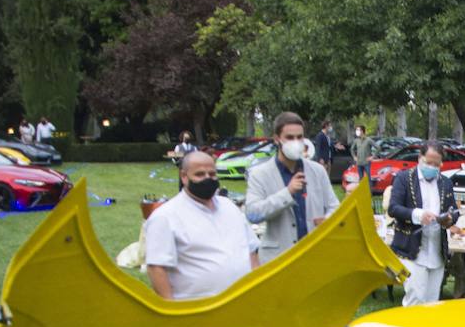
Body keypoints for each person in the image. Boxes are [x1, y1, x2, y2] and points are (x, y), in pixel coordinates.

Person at [145, 151, 258, 300]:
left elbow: (251, 251)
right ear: (184, 177)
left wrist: (258, 289)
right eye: (200, 174)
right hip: (196, 310)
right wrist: (171, 310)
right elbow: (157, 267)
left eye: (212, 174)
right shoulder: (165, 216)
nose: (207, 179)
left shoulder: (230, 207)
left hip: (243, 302)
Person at [245, 112, 339, 264]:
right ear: (277, 139)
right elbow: (252, 214)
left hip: (315, 255)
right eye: (289, 137)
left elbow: (334, 206)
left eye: (299, 137)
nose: (295, 142)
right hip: (278, 260)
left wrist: (327, 220)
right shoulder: (260, 174)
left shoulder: (317, 170)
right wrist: (287, 193)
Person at [387, 142, 458, 305]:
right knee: (416, 297)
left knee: (432, 301)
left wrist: (449, 218)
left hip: (436, 249)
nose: (432, 167)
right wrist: (418, 215)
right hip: (411, 248)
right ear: (420, 158)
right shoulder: (404, 178)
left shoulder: (445, 183)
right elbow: (393, 208)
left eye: (436, 164)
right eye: (428, 162)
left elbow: (453, 210)